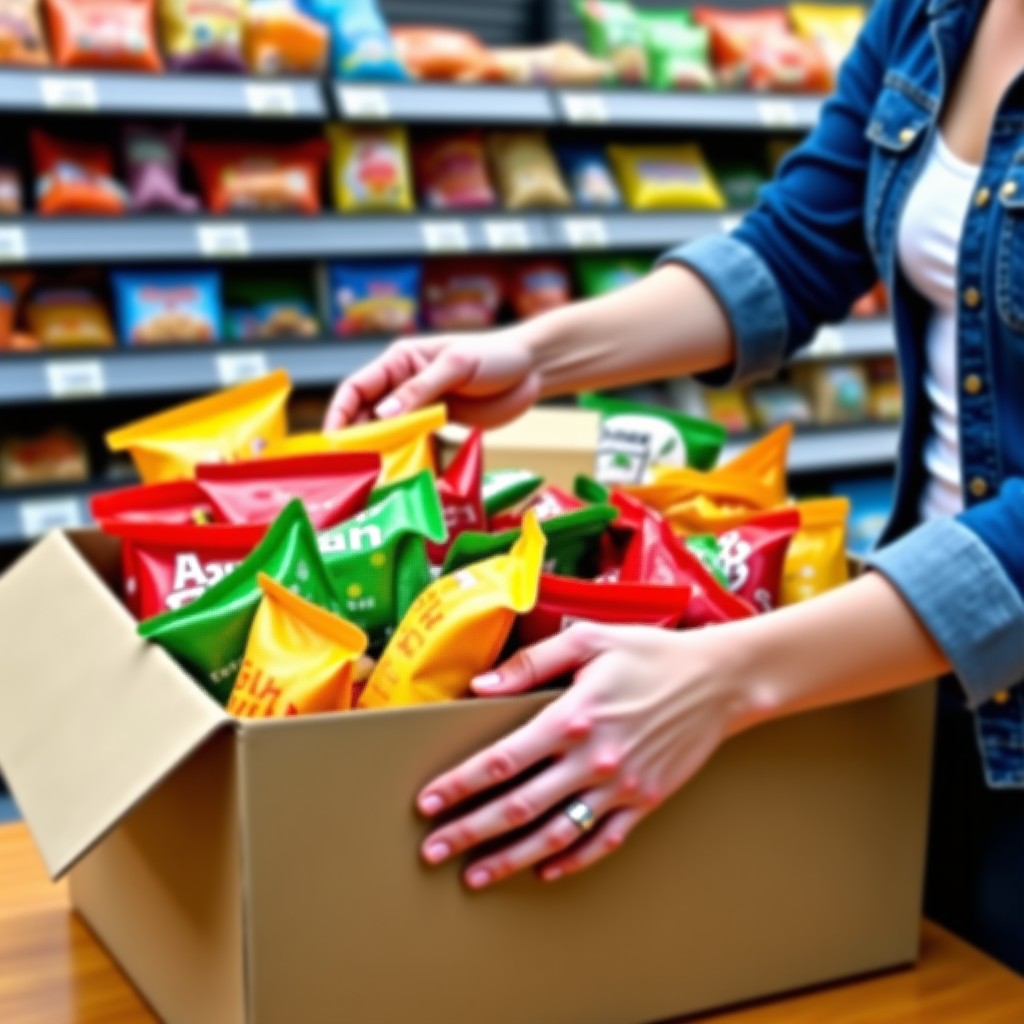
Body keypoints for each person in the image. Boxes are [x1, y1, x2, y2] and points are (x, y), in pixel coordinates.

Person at [327, 0, 1024, 972]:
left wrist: (724, 677)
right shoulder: (929, 15)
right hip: (905, 672)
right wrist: (529, 354)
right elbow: (790, 250)